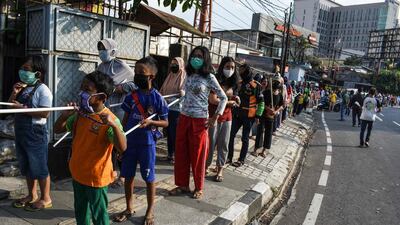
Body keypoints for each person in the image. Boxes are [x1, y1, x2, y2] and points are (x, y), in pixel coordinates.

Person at [54, 71, 127, 225]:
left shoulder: (110, 120)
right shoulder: (80, 114)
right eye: (82, 88)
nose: (81, 93)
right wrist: (64, 115)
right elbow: (57, 129)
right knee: (81, 213)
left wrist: (113, 125)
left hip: (96, 178)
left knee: (99, 217)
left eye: (87, 90)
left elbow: (122, 147)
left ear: (101, 97)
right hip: (77, 173)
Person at [112, 56, 168, 224]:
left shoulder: (158, 98)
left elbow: (166, 122)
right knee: (127, 177)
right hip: (130, 143)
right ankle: (129, 208)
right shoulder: (131, 96)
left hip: (147, 145)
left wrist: (151, 122)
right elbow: (124, 120)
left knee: (149, 179)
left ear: (151, 76)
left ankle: (150, 211)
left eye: (141, 73)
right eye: (136, 72)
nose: (137, 75)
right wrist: (119, 141)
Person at [171, 46, 227, 199]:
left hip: (200, 120)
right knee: (181, 154)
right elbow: (187, 95)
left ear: (205, 59)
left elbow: (224, 98)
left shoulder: (209, 77)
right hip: (184, 118)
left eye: (200, 56)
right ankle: (182, 185)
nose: (196, 58)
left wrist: (215, 117)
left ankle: (198, 187)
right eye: (194, 55)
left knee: (198, 155)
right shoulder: (188, 74)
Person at [9, 56, 53, 211]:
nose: (22, 71)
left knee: (39, 167)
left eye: (26, 69)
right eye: (22, 68)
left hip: (36, 133)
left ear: (38, 73)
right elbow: (10, 105)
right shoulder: (22, 87)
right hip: (21, 131)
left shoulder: (43, 90)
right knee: (27, 165)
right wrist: (14, 93)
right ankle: (32, 195)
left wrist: (22, 109)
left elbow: (45, 113)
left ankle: (46, 198)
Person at [97, 38, 136, 188]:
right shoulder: (101, 67)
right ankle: (112, 171)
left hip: (119, 108)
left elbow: (135, 84)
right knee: (109, 143)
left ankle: (124, 176)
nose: (101, 52)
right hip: (105, 108)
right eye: (99, 49)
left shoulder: (122, 66)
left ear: (112, 50)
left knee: (120, 142)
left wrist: (121, 88)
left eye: (103, 49)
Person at [205, 56, 240, 182]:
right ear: (222, 67)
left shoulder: (234, 83)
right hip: (213, 116)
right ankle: (205, 166)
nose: (229, 70)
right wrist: (229, 103)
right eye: (227, 67)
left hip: (227, 117)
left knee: (224, 144)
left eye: (232, 67)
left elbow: (232, 96)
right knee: (210, 143)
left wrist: (235, 98)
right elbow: (213, 100)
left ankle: (220, 169)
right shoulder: (215, 80)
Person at [227, 63, 264, 167]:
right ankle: (229, 157)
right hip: (237, 114)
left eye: (243, 71)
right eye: (240, 71)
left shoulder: (255, 85)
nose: (240, 72)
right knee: (231, 135)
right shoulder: (239, 83)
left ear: (247, 72)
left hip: (249, 116)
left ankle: (241, 160)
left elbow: (261, 102)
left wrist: (258, 116)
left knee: (245, 138)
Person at [159, 57, 186, 163]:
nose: (173, 66)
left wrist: (182, 93)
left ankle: (176, 155)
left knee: (174, 133)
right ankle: (170, 154)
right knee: (169, 132)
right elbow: (162, 90)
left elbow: (183, 92)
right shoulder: (170, 76)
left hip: (177, 109)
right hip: (167, 107)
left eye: (176, 64)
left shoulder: (184, 76)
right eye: (172, 64)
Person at [253, 77, 284, 157]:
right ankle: (256, 149)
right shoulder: (266, 92)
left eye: (278, 82)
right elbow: (261, 103)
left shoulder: (280, 95)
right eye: (275, 82)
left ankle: (264, 150)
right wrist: (268, 109)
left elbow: (281, 106)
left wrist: (275, 111)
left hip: (271, 117)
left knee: (268, 133)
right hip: (263, 115)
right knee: (260, 132)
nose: (276, 84)